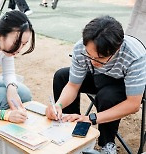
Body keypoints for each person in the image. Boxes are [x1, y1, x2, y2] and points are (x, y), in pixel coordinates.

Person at [46, 16, 146, 153]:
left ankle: (107, 144)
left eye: (100, 58)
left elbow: (133, 104)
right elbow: (73, 85)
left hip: (125, 84)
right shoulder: (81, 48)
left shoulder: (135, 55)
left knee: (108, 95)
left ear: (118, 49)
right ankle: (70, 125)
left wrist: (90, 119)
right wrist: (59, 105)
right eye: (89, 55)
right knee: (61, 76)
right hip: (100, 77)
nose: (93, 61)